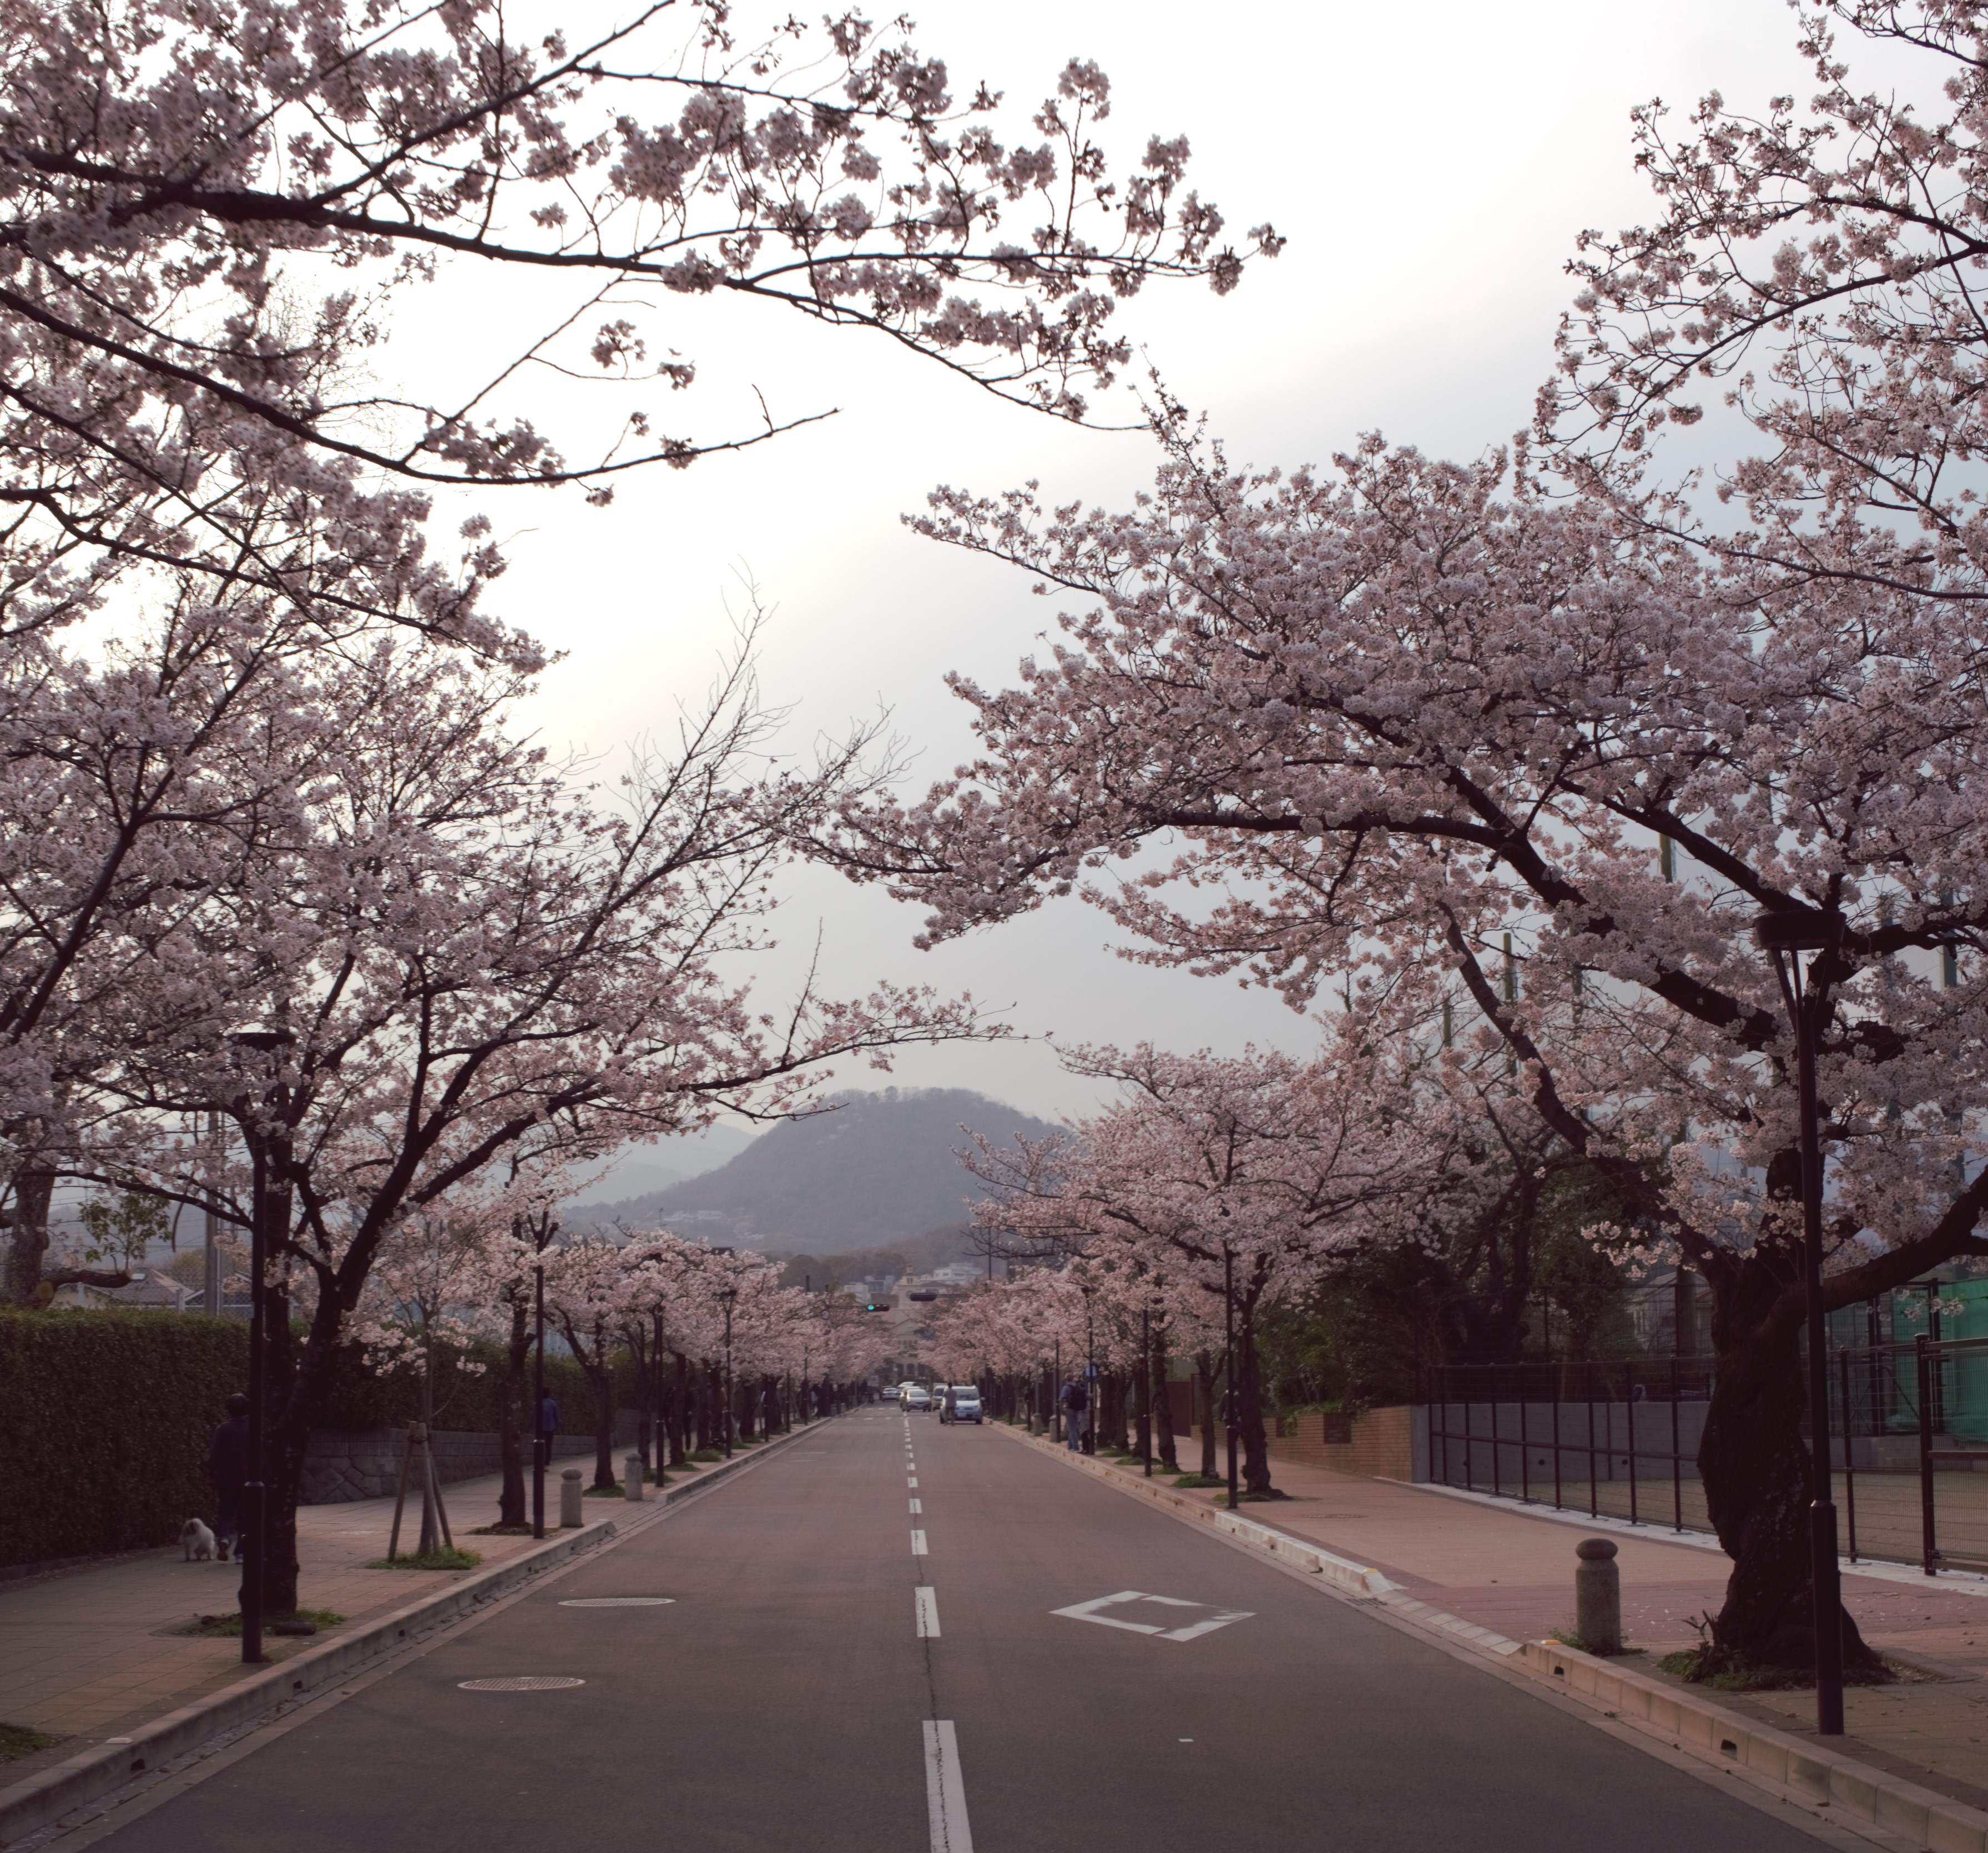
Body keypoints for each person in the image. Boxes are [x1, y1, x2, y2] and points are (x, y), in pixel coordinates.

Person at [206, 1392, 250, 1562]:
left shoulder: (223, 1429)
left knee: (225, 1513)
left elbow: (214, 1455)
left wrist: (210, 1474)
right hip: (247, 1480)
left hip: (226, 1478)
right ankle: (241, 1552)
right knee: (244, 1516)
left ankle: (224, 1538)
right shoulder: (252, 1429)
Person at [1058, 1376, 1088, 1452]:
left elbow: (1062, 1399)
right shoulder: (1077, 1386)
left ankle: (1075, 1447)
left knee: (1072, 1428)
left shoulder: (1066, 1388)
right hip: (1077, 1409)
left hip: (1070, 1409)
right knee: (1075, 1427)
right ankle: (1070, 1446)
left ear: (1066, 1379)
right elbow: (1086, 1396)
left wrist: (1061, 1409)